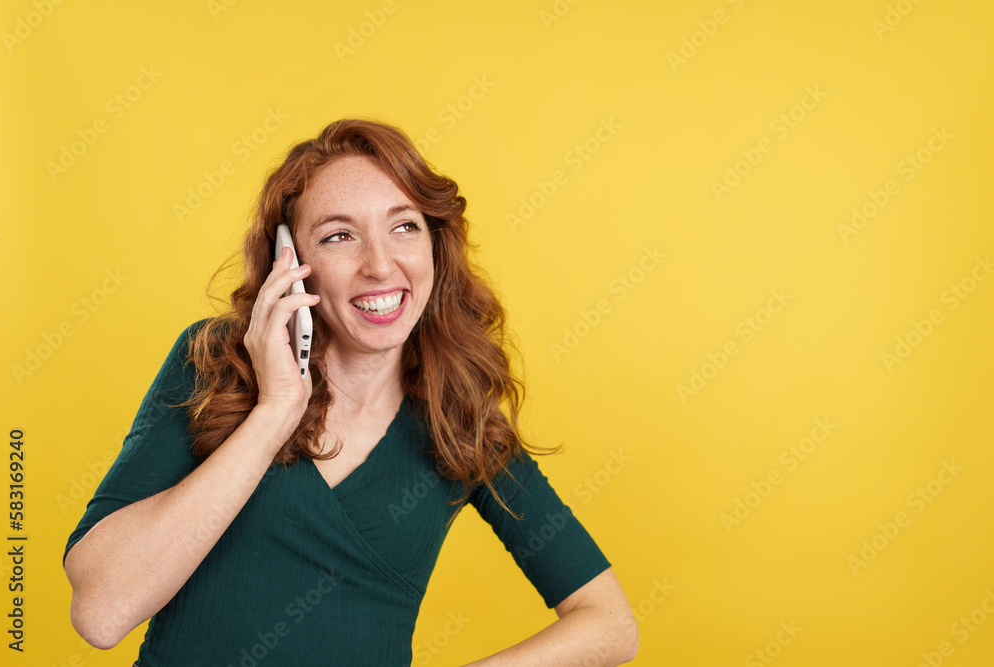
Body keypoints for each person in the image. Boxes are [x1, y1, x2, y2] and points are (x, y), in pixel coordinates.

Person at [63, 118, 639, 665]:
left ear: (434, 245)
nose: (380, 266)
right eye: (339, 236)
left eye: (404, 226)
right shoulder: (217, 362)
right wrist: (275, 411)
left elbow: (610, 625)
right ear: (291, 262)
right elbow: (102, 612)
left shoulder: (457, 421)